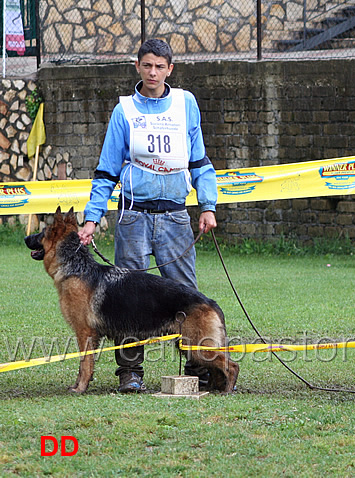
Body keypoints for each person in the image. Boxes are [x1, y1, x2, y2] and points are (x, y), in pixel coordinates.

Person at [78, 38, 219, 393]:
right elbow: (106, 172)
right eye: (147, 65)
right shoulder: (123, 111)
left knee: (186, 296)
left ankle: (198, 369)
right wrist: (92, 218)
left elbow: (199, 162)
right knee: (126, 299)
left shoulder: (186, 104)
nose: (153, 72)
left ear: (170, 69)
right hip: (133, 218)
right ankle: (130, 373)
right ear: (137, 67)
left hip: (174, 218)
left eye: (160, 66)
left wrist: (208, 205)